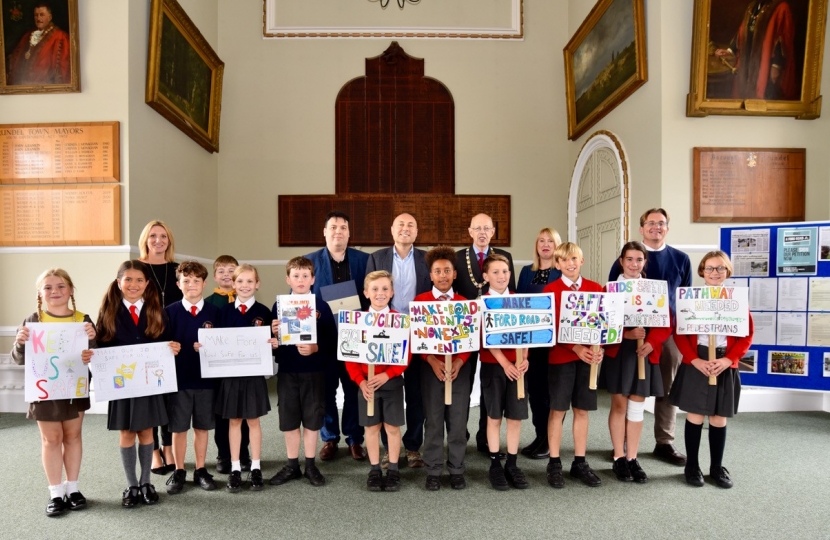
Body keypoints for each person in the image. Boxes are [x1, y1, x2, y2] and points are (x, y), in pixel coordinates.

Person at [94, 260, 181, 508]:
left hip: (148, 384)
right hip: (122, 385)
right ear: (118, 282)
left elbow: (165, 342)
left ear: (147, 284)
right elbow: (102, 344)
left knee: (146, 431)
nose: (134, 285)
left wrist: (172, 347)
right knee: (126, 433)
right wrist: (93, 352)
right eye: (128, 280)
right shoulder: (109, 311)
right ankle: (131, 485)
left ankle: (146, 483)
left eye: (139, 280)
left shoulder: (156, 310)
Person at [608, 208, 691, 466]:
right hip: (628, 337)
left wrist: (657, 339)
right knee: (624, 391)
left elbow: (685, 297)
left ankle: (664, 441)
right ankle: (621, 445)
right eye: (651, 223)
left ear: (667, 228)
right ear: (642, 227)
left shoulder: (681, 258)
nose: (657, 227)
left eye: (662, 223)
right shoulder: (622, 259)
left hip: (666, 333)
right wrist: (626, 334)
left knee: (665, 387)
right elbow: (611, 301)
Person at [11, 269, 96, 517]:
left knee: (73, 437)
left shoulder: (83, 319)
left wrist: (93, 340)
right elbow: (17, 359)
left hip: (73, 388)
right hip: (43, 389)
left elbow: (96, 356)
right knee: (51, 440)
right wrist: (19, 342)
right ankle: (56, 493)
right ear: (40, 292)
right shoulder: (32, 321)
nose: (55, 291)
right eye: (48, 287)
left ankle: (73, 489)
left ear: (70, 290)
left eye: (60, 286)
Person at [671, 251, 753, 489]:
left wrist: (728, 360)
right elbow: (680, 332)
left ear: (727, 271)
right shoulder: (691, 298)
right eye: (709, 268)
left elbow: (746, 335)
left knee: (718, 417)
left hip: (724, 362)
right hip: (698, 360)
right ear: (702, 271)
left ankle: (716, 466)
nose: (714, 273)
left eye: (720, 268)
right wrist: (694, 360)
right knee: (695, 415)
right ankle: (692, 465)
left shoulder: (736, 300)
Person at [366, 212, 430, 469]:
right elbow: (370, 295)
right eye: (401, 224)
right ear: (392, 229)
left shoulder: (426, 259)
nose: (405, 228)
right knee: (385, 391)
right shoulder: (377, 257)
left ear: (416, 231)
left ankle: (413, 447)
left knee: (416, 394)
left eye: (411, 225)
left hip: (417, 334)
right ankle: (387, 448)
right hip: (385, 333)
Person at [604, 242, 670, 484]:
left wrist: (652, 342)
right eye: (629, 259)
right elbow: (602, 325)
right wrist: (625, 335)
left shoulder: (654, 289)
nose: (634, 264)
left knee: (636, 407)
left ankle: (632, 457)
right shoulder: (610, 289)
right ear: (621, 261)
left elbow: (666, 322)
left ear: (645, 262)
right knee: (619, 406)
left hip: (644, 353)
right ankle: (618, 457)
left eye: (639, 259)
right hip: (620, 354)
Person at [305, 211, 368, 461]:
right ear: (325, 232)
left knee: (354, 389)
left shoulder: (364, 260)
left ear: (349, 233)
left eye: (343, 227)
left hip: (355, 335)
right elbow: (299, 299)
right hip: (325, 338)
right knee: (325, 390)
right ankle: (329, 438)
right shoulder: (309, 261)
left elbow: (372, 293)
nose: (338, 231)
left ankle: (354, 438)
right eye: (333, 227)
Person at [542, 242, 604, 488]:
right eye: (565, 260)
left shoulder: (595, 289)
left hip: (589, 359)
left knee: (582, 409)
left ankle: (580, 462)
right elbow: (551, 326)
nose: (570, 263)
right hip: (561, 358)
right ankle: (554, 462)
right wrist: (574, 347)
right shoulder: (551, 289)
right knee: (558, 410)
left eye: (574, 258)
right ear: (557, 264)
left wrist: (600, 350)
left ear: (582, 260)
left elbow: (604, 323)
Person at [453, 213, 516, 454]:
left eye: (486, 228)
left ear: (492, 231)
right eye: (477, 228)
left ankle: (484, 436)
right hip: (468, 331)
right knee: (465, 385)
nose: (482, 232)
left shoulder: (504, 258)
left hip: (497, 332)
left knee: (491, 385)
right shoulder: (458, 257)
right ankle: (462, 433)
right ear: (470, 231)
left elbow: (513, 295)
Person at [269, 256, 332, 488]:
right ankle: (292, 464)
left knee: (313, 419)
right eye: (296, 276)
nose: (301, 280)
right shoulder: (279, 306)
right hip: (288, 371)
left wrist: (316, 347)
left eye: (306, 275)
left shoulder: (321, 306)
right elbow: (274, 343)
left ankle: (310, 464)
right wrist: (274, 332)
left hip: (314, 371)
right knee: (290, 419)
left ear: (313, 279)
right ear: (288, 279)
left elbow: (331, 340)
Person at [214, 264, 276, 492]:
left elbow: (271, 342)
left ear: (257, 284)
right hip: (231, 377)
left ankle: (256, 466)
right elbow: (217, 342)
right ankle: (235, 467)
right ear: (233, 284)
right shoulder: (224, 312)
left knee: (253, 421)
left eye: (250, 282)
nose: (245, 286)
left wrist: (273, 343)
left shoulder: (264, 312)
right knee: (234, 421)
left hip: (254, 376)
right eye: (240, 281)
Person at [345, 271, 408, 491]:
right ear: (365, 293)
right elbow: (349, 357)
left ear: (392, 292)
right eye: (375, 289)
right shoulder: (356, 321)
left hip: (391, 383)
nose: (380, 293)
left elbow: (405, 355)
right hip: (366, 385)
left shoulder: (400, 320)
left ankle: (393, 469)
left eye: (384, 289)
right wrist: (360, 382)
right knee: (371, 427)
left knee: (392, 426)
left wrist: (387, 374)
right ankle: (374, 469)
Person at [415, 246, 472, 491]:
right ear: (430, 275)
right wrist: (432, 360)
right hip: (431, 369)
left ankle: (457, 468)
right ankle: (434, 468)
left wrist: (459, 361)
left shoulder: (464, 303)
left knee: (458, 421)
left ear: (455, 274)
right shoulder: (421, 302)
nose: (443, 276)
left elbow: (470, 339)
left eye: (447, 271)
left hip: (459, 369)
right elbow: (417, 339)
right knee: (434, 420)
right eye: (438, 271)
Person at [163, 261, 220, 494]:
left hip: (205, 381)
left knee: (202, 427)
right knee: (178, 427)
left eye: (197, 281)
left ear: (205, 284)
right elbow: (160, 344)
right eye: (186, 281)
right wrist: (168, 347)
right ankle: (178, 470)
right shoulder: (169, 312)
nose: (192, 285)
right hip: (179, 379)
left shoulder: (216, 313)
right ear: (179, 284)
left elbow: (225, 345)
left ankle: (200, 469)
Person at [479, 254, 530, 491]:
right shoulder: (481, 303)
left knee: (515, 416)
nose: (502, 276)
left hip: (518, 366)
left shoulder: (520, 301)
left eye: (506, 271)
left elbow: (529, 331)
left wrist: (524, 358)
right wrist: (504, 363)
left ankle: (512, 462)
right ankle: (494, 463)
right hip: (494, 367)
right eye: (496, 272)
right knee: (494, 416)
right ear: (486, 276)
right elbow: (485, 339)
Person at [137, 220, 183, 474]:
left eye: (163, 236)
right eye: (153, 236)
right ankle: (154, 450)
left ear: (169, 240)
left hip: (173, 342)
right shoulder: (136, 269)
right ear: (145, 239)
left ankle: (168, 447)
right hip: (146, 340)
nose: (158, 240)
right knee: (149, 397)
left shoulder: (177, 269)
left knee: (170, 397)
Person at [516, 227, 562, 459]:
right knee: (535, 391)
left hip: (554, 342)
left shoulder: (561, 271)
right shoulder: (526, 272)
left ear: (556, 246)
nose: (545, 245)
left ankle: (550, 438)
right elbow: (518, 303)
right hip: (531, 342)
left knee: (551, 392)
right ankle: (540, 434)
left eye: (550, 241)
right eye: (541, 241)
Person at [203, 255, 251, 475]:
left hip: (244, 367)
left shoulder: (245, 299)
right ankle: (224, 454)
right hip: (221, 370)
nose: (226, 274)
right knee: (223, 414)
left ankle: (243, 453)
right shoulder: (210, 304)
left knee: (245, 411)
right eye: (221, 271)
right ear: (214, 276)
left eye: (231, 270)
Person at [714, 0, 798, 100]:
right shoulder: (753, 6)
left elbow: (783, 41)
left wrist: (776, 66)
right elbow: (742, 31)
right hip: (747, 64)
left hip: (767, 67)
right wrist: (730, 50)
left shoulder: (781, 8)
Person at [5, 3, 71, 86]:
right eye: (36, 15)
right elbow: (15, 58)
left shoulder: (61, 37)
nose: (38, 18)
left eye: (42, 15)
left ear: (49, 17)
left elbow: (63, 68)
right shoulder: (27, 35)